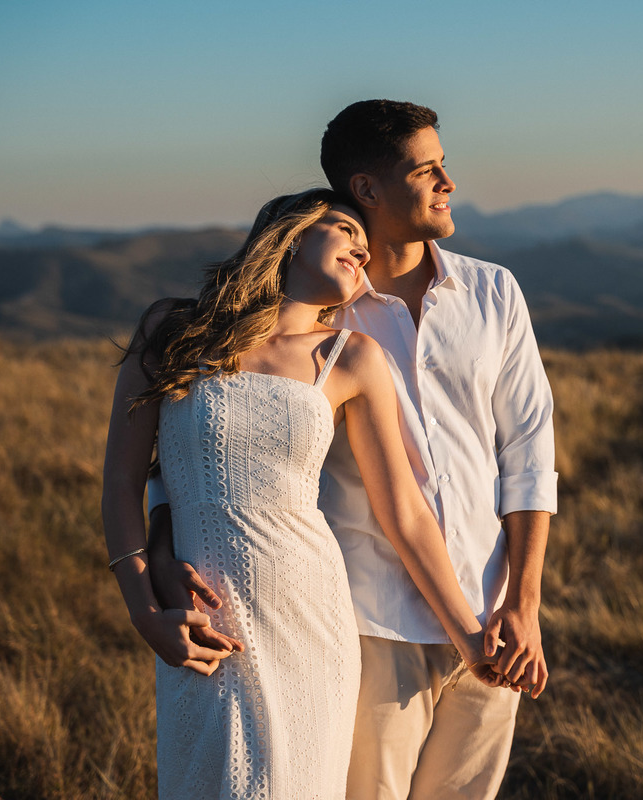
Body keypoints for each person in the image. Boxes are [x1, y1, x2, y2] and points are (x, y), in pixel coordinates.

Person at [151, 100, 558, 799]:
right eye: (427, 169)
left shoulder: (493, 292)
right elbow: (204, 431)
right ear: (367, 188)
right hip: (367, 620)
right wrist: (160, 549)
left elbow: (528, 452)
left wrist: (523, 601)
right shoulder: (323, 306)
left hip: (491, 615)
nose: (448, 182)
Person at [101, 189, 503, 798]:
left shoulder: (350, 358)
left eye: (366, 250)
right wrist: (143, 608)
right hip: (210, 624)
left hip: (310, 621)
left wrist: (470, 635)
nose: (361, 250)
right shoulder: (171, 330)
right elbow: (123, 481)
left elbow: (405, 513)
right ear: (289, 235)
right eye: (345, 230)